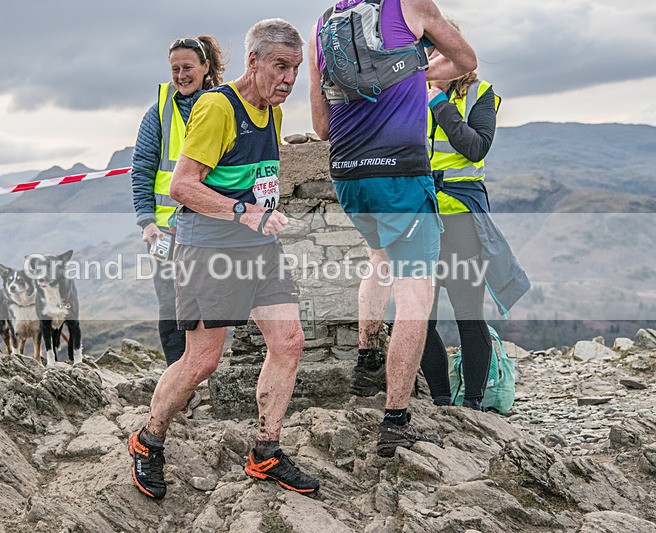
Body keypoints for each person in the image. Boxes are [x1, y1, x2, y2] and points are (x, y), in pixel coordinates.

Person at [128, 19, 319, 500]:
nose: (288, 79)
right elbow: (182, 185)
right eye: (279, 66)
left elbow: (260, 173)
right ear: (253, 61)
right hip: (208, 248)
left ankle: (266, 451)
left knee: (289, 340)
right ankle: (148, 441)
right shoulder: (217, 107)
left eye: (294, 69)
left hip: (258, 249)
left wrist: (264, 212)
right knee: (202, 361)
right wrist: (245, 212)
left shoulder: (272, 111)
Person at [309, 0, 477, 457]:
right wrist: (415, 70)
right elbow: (467, 61)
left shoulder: (322, 25)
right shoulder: (411, 4)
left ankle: (366, 359)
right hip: (400, 175)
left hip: (348, 177)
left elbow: (321, 127)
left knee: (378, 260)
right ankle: (396, 420)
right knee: (416, 296)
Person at [420, 29, 529, 410]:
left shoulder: (479, 94)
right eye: (426, 53)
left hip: (462, 218)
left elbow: (476, 146)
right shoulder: (404, 96)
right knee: (421, 317)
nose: (430, 60)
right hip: (420, 216)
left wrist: (438, 104)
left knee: (468, 313)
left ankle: (474, 405)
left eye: (437, 53)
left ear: (456, 56)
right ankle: (440, 401)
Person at [131, 35, 226, 416]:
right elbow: (142, 169)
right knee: (171, 310)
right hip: (167, 232)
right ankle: (179, 395)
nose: (181, 75)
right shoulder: (159, 112)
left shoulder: (223, 105)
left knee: (212, 310)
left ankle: (200, 380)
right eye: (175, 69)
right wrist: (146, 222)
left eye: (188, 67)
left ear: (205, 68)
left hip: (211, 230)